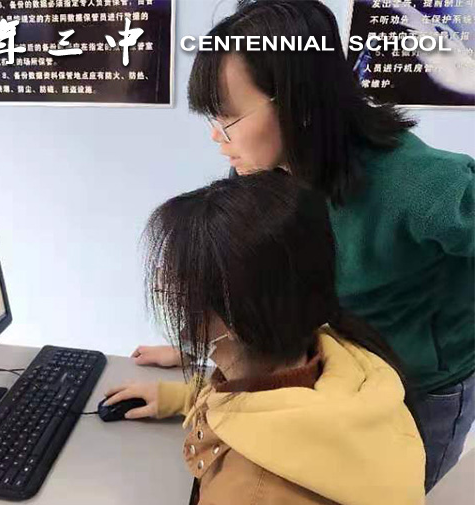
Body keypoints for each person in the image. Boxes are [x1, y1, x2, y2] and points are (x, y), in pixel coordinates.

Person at [131, 0, 474, 491]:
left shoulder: (424, 186)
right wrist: (204, 345)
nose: (216, 136)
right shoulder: (264, 173)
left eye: (228, 117)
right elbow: (268, 292)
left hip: (423, 386)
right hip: (335, 371)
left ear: (301, 102)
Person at [107, 172, 425, 505]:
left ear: (236, 319)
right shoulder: (345, 357)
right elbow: (272, 403)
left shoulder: (247, 493)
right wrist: (181, 398)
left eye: (176, 288)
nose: (169, 296)